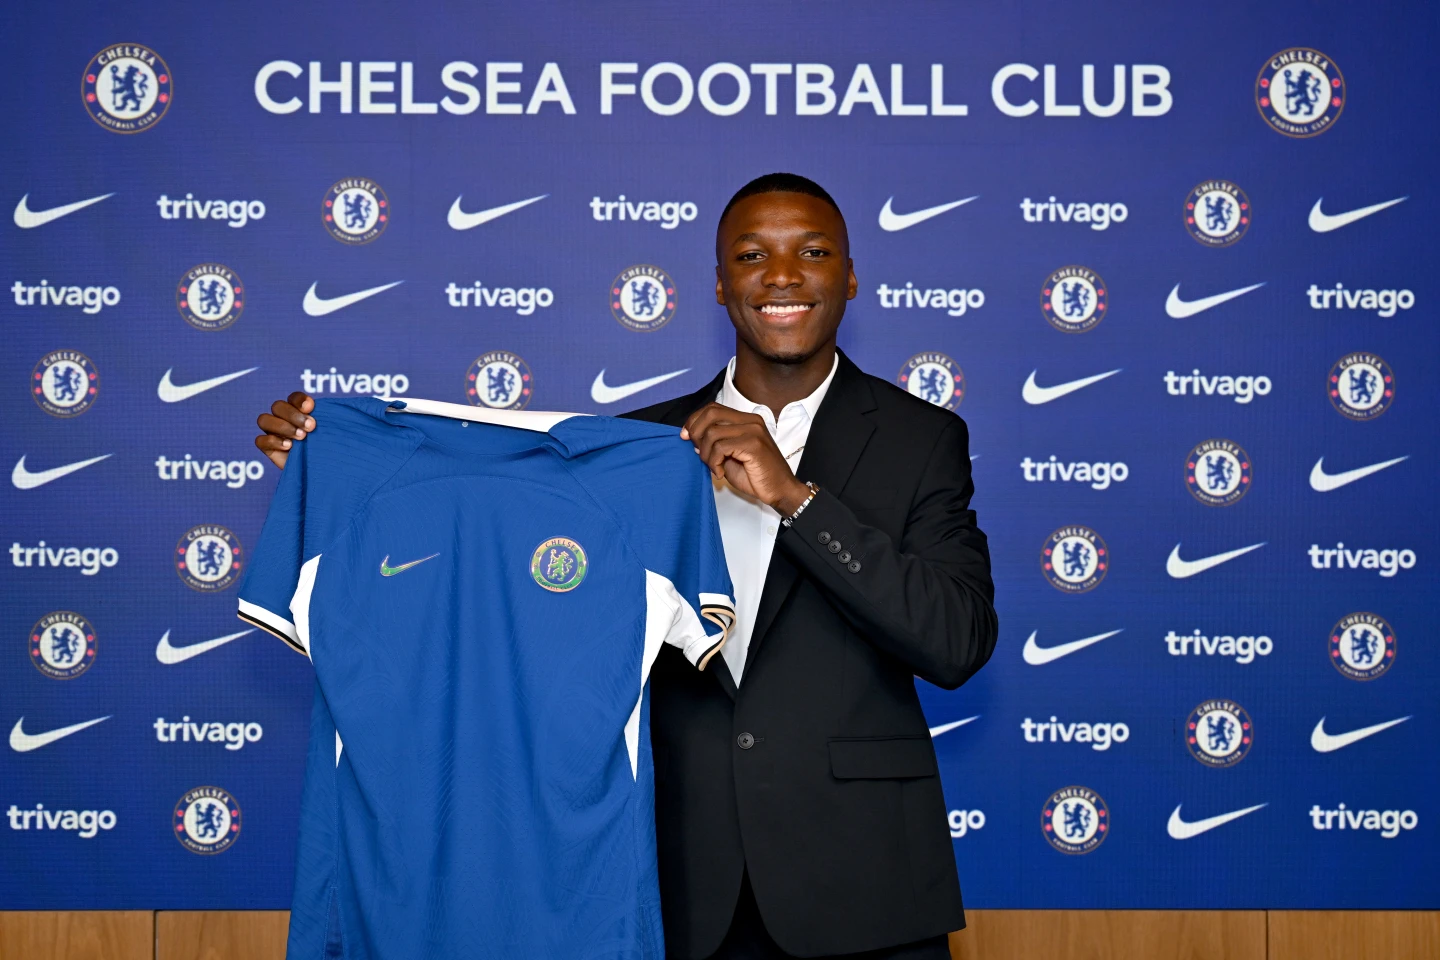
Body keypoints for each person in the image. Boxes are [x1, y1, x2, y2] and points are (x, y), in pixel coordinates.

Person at [255, 173, 998, 960]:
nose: (782, 276)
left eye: (811, 252)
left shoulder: (924, 438)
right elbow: (500, 561)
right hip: (670, 880)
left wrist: (796, 500)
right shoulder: (637, 446)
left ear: (849, 276)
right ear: (719, 284)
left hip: (864, 889)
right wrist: (334, 476)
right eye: (752, 255)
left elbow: (956, 640)